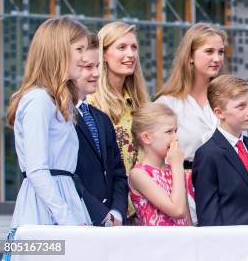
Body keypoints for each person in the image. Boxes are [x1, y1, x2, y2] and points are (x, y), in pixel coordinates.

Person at [8, 16, 92, 226]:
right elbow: (37, 170)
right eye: (79, 49)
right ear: (59, 50)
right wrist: (68, 220)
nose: (84, 57)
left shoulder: (57, 102)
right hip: (46, 208)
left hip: (63, 200)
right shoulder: (38, 100)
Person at [88, 21, 150, 221]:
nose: (130, 54)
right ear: (103, 54)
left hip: (143, 209)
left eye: (134, 47)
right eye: (121, 47)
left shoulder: (140, 104)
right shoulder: (91, 104)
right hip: (107, 213)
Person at [193, 75, 248, 226]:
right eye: (241, 106)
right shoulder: (208, 154)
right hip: (230, 242)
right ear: (219, 112)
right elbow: (208, 213)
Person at [73, 33, 128, 226]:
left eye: (97, 66)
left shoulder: (101, 118)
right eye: (88, 67)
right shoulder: (60, 116)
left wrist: (117, 213)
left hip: (111, 223)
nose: (96, 73)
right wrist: (101, 213)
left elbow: (118, 173)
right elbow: (67, 175)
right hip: (79, 218)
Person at [154, 23, 225, 165]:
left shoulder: (227, 99)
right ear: (190, 55)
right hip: (183, 182)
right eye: (209, 51)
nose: (217, 59)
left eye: (221, 52)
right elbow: (156, 158)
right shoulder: (167, 104)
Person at [128, 103, 192, 226]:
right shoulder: (139, 174)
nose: (176, 138)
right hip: (158, 244)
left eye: (176, 131)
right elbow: (177, 210)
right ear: (146, 138)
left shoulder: (174, 169)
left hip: (183, 242)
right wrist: (177, 166)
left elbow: (186, 216)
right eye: (169, 132)